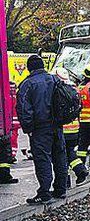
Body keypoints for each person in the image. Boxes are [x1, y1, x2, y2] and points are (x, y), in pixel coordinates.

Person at [16, 55, 68, 204]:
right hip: (57, 126)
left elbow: (24, 108)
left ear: (29, 68)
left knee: (42, 158)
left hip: (40, 128)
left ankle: (44, 193)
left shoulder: (27, 84)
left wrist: (28, 128)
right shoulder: (54, 79)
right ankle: (60, 189)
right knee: (60, 156)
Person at [53, 68, 88, 187]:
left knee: (61, 155)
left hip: (62, 128)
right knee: (70, 152)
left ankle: (66, 181)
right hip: (75, 128)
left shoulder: (57, 91)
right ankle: (80, 169)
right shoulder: (75, 90)